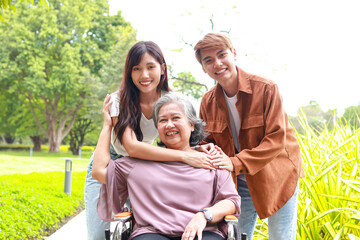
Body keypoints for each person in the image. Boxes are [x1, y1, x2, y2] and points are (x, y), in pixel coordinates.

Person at [84, 41, 215, 240]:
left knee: (142, 229)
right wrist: (184, 156)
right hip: (110, 161)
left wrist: (197, 148)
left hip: (141, 164)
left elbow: (177, 136)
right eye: (137, 69)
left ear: (162, 69)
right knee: (98, 235)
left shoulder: (170, 100)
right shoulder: (119, 100)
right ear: (129, 72)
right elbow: (131, 147)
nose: (144, 75)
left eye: (150, 67)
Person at [194, 33, 305, 239]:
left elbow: (276, 139)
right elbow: (206, 139)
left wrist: (234, 161)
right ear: (203, 67)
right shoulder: (207, 101)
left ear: (233, 53)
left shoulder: (266, 88)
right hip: (237, 180)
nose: (217, 63)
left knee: (281, 236)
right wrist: (204, 147)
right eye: (208, 60)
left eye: (221, 55)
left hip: (277, 175)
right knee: (236, 235)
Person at [92, 92, 241, 240]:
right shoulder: (138, 164)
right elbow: (99, 171)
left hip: (203, 231)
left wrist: (204, 215)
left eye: (176, 118)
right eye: (162, 120)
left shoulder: (211, 161)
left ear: (191, 125)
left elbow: (231, 201)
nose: (169, 125)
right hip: (151, 233)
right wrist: (107, 125)